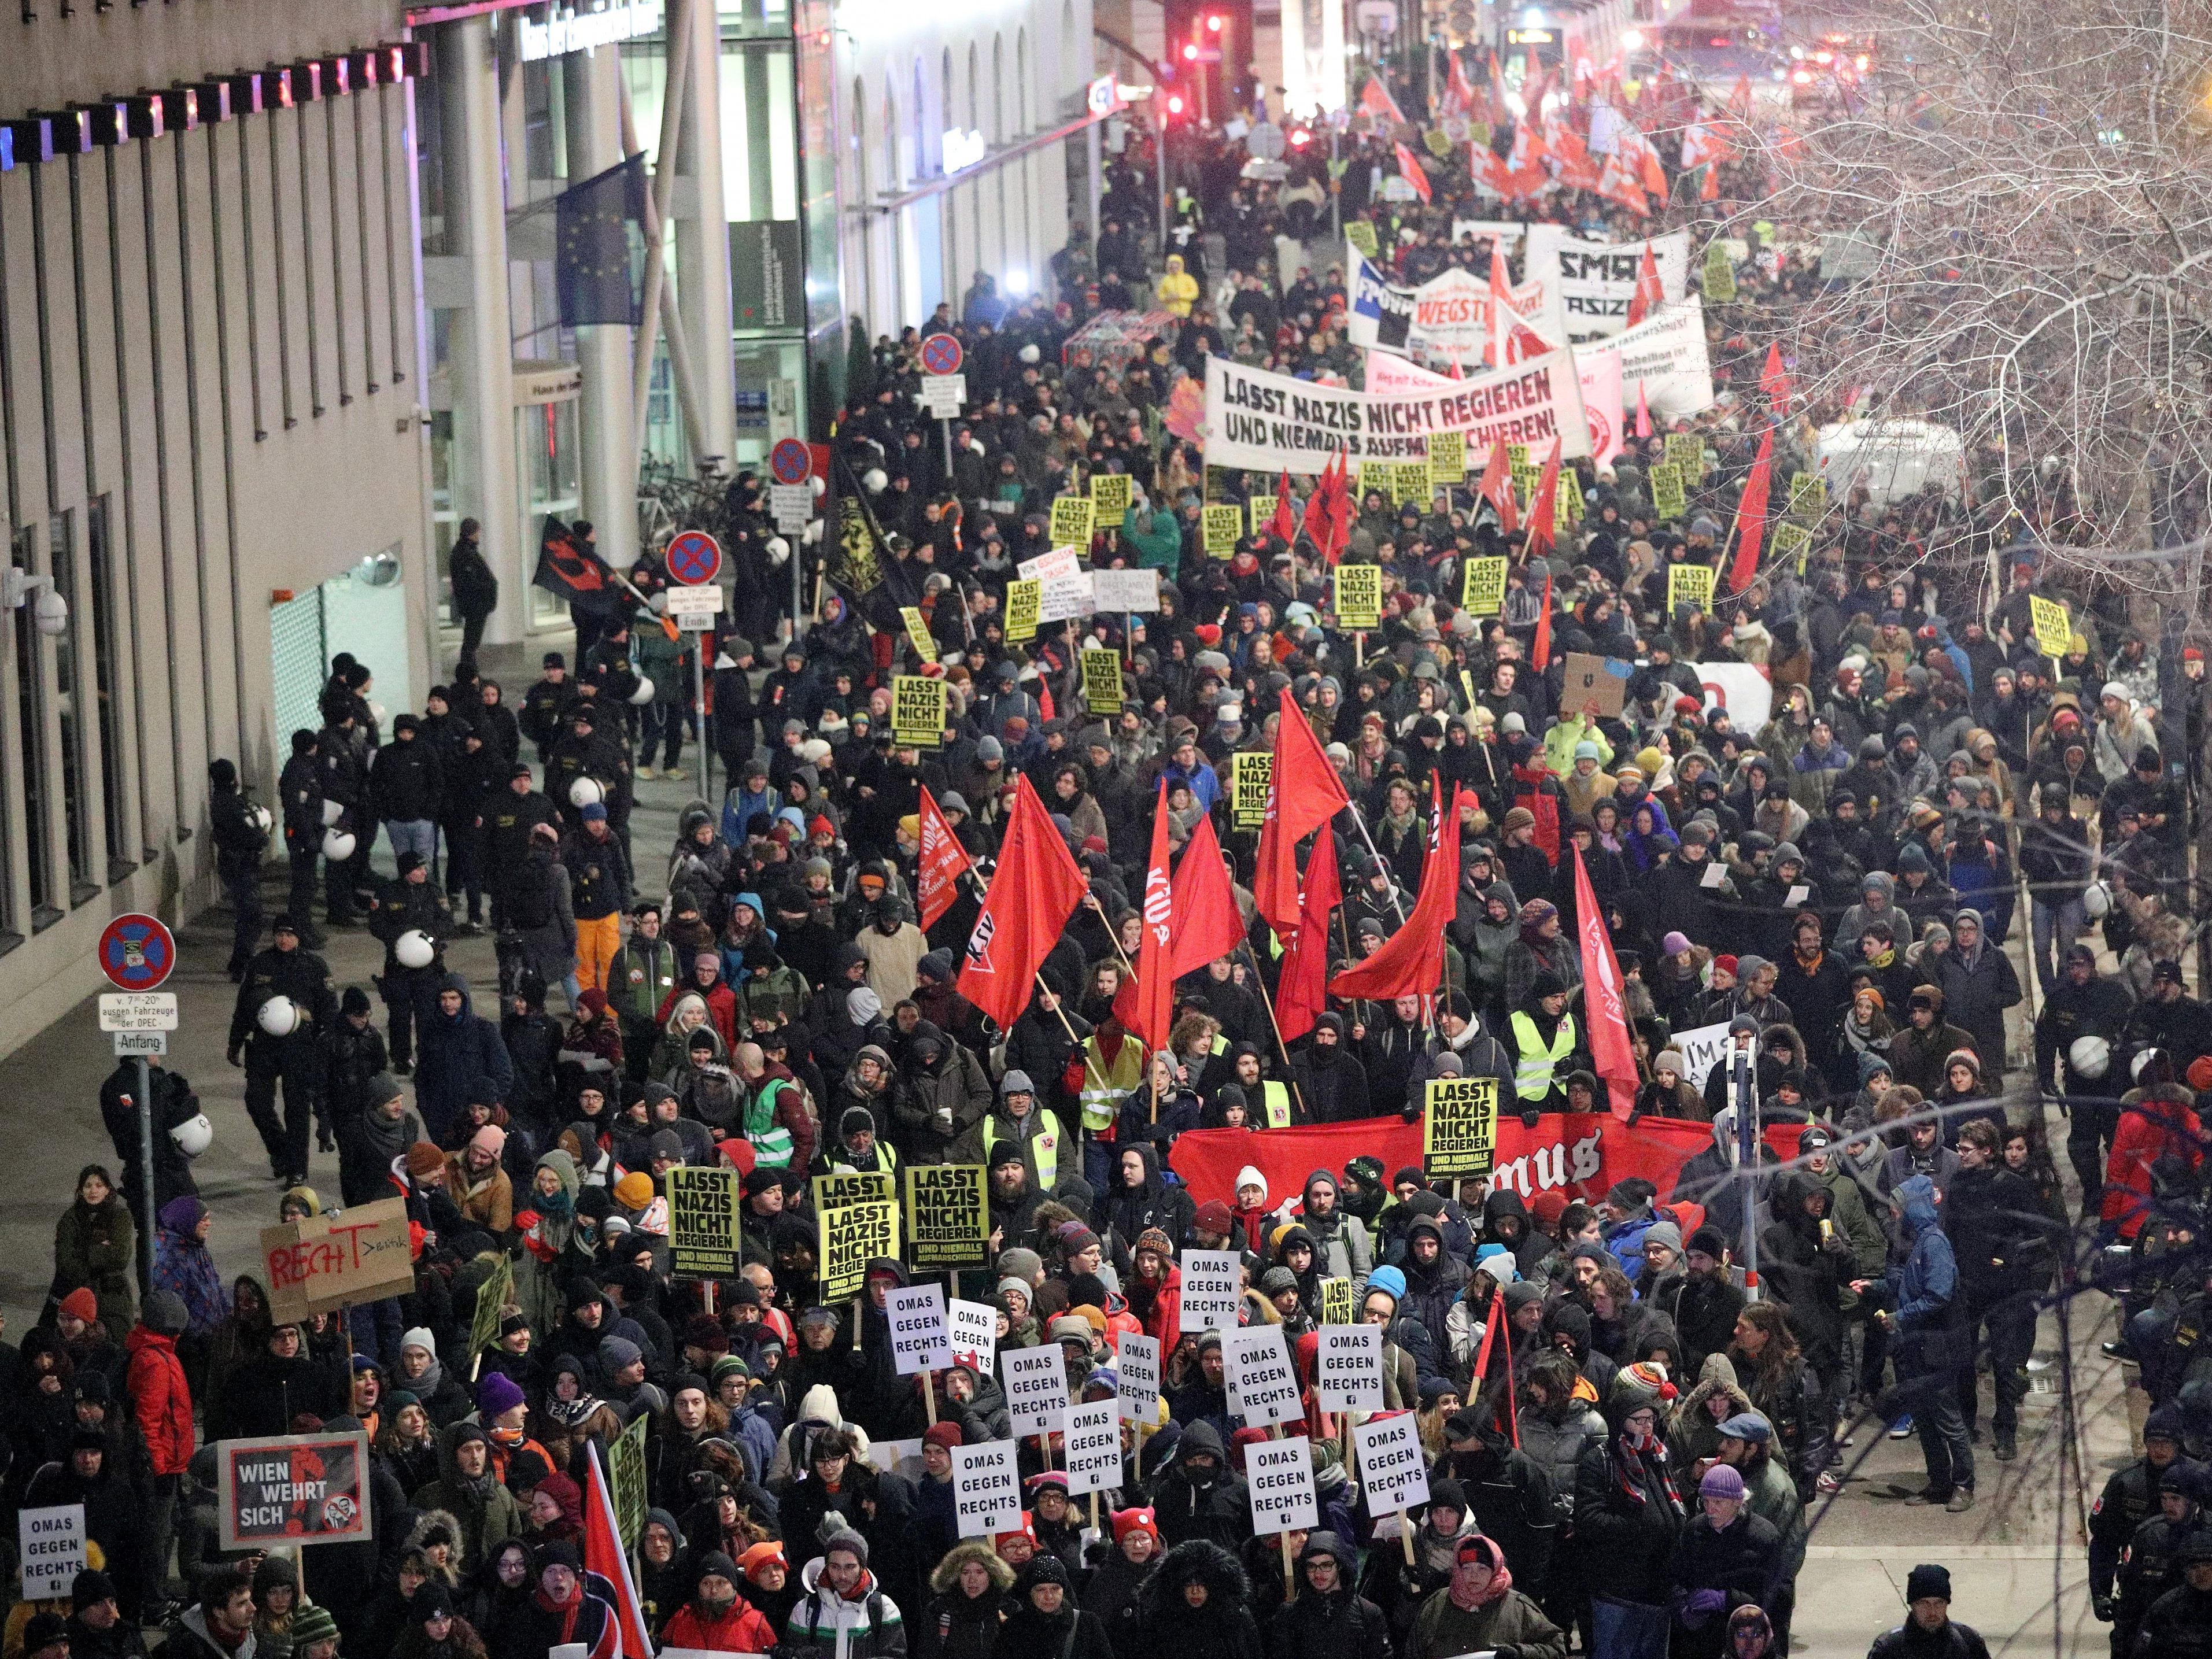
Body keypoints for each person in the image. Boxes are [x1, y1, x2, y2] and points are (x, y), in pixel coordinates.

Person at [1864, 1563, 1991, 1659]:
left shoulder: (1970, 1642)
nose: (1932, 1611)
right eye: (1924, 1604)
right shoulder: (1888, 1648)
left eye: (1939, 1603)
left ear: (1947, 1604)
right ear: (1912, 1605)